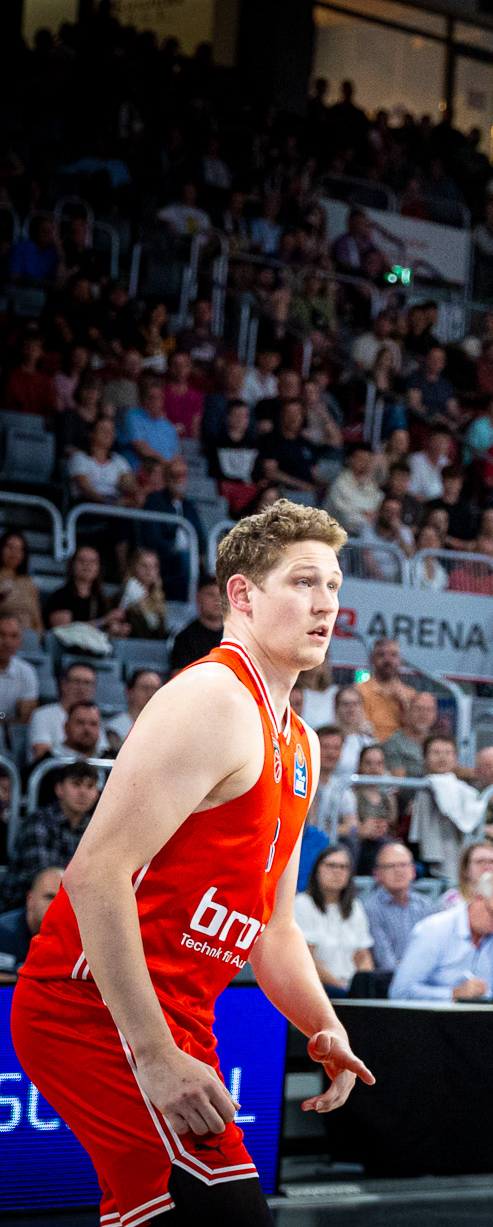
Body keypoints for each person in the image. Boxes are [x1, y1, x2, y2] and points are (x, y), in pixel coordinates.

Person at [11, 501, 372, 1227]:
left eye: (333, 585)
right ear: (242, 595)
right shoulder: (212, 697)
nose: (326, 603)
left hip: (179, 1016)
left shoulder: (299, 740)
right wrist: (150, 1052)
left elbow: (274, 930)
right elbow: (93, 873)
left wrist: (322, 1022)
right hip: (92, 1008)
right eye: (304, 582)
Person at [389, 870, 493, 1001]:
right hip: (437, 1022)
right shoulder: (434, 930)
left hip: (487, 1022)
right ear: (478, 899)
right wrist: (453, 994)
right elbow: (400, 992)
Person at [3, 761, 103, 910]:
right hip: (24, 906)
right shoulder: (38, 822)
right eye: (76, 784)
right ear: (59, 789)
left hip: (73, 904)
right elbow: (44, 879)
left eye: (90, 786)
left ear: (97, 794)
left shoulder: (95, 828)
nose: (83, 792)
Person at [295, 844, 374, 997]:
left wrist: (362, 986)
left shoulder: (355, 907)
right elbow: (305, 961)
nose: (337, 871)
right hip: (317, 991)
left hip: (351, 991)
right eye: (331, 865)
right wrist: (343, 989)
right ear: (317, 869)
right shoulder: (302, 904)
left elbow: (363, 957)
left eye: (343, 867)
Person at [362, 841, 436, 972]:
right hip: (387, 983)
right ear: (377, 874)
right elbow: (385, 962)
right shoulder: (371, 909)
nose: (398, 871)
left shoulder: (425, 905)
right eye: (391, 866)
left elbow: (434, 951)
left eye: (403, 865)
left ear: (413, 871)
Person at [27, 662, 102, 763]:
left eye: (88, 683)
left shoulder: (94, 717)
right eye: (76, 681)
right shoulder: (42, 715)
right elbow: (41, 754)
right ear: (64, 684)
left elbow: (102, 753)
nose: (82, 688)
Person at [0, 866, 65, 980]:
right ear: (30, 899)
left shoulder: (77, 935)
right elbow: (3, 988)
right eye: (49, 897)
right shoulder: (3, 931)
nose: (57, 904)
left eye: (63, 898)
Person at [357, 638, 417, 741]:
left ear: (400, 660)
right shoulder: (359, 690)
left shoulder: (410, 694)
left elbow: (416, 731)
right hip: (368, 747)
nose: (388, 660)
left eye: (393, 655)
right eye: (381, 655)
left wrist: (405, 705)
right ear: (372, 658)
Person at [169, 575, 225, 674]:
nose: (217, 600)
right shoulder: (185, 638)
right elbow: (179, 678)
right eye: (210, 594)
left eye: (221, 595)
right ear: (198, 597)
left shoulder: (237, 636)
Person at [105, 668, 163, 744]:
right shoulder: (116, 728)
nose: (151, 694)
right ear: (129, 691)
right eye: (145, 688)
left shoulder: (165, 727)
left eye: (156, 689)